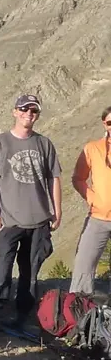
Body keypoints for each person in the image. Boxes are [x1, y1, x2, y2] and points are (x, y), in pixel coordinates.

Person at [0, 93, 63, 340]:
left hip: (39, 221)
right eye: (24, 109)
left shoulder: (44, 144)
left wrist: (57, 210)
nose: (29, 114)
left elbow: (53, 179)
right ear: (15, 111)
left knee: (30, 273)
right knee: (1, 270)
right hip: (9, 221)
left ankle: (22, 317)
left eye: (34, 111)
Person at [68, 106, 111, 297]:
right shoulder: (93, 148)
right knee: (83, 267)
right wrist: (92, 198)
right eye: (110, 122)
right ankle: (78, 313)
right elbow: (78, 178)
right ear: (104, 124)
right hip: (98, 218)